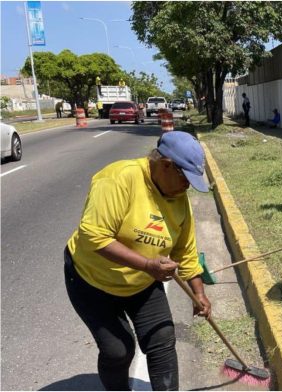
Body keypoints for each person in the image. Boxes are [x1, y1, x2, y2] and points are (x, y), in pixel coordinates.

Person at [64, 131, 212, 390]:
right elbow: (94, 236)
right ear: (166, 165)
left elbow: (185, 252)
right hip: (92, 281)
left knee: (162, 339)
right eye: (185, 179)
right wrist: (147, 265)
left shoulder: (178, 200)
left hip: (142, 283)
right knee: (118, 350)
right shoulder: (120, 178)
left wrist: (198, 293)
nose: (187, 187)